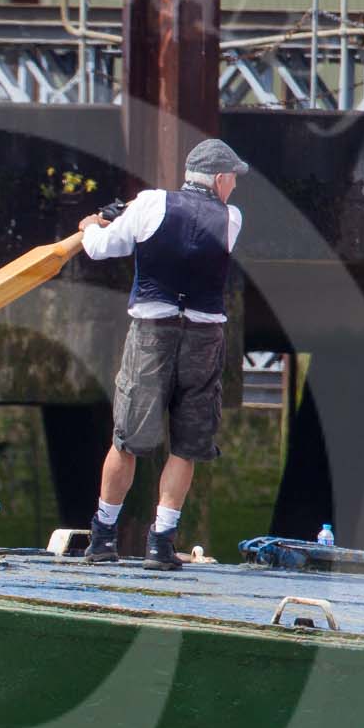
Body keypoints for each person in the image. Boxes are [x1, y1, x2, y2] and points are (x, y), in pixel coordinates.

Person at [75, 138, 247, 570]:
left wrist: (90, 227)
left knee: (127, 440)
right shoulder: (232, 218)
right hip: (205, 339)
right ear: (221, 179)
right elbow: (187, 217)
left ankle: (103, 537)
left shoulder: (150, 204)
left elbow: (101, 249)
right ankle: (161, 542)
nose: (234, 189)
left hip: (154, 332)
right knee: (186, 446)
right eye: (233, 181)